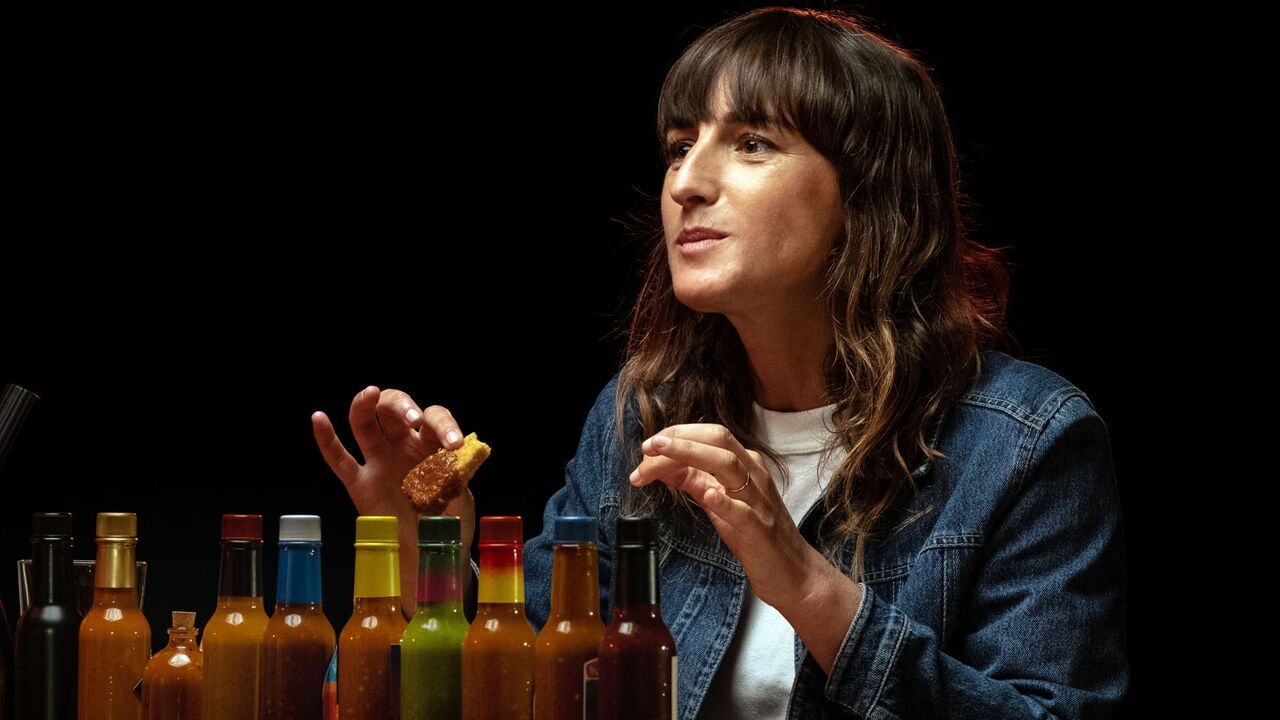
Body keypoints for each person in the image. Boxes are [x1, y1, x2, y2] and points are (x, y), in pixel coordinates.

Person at [310, 6, 1129, 718]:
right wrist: (429, 554)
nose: (687, 183)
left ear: (869, 192)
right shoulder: (641, 415)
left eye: (752, 143)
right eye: (678, 146)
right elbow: (533, 683)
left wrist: (809, 588)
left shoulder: (1026, 443)